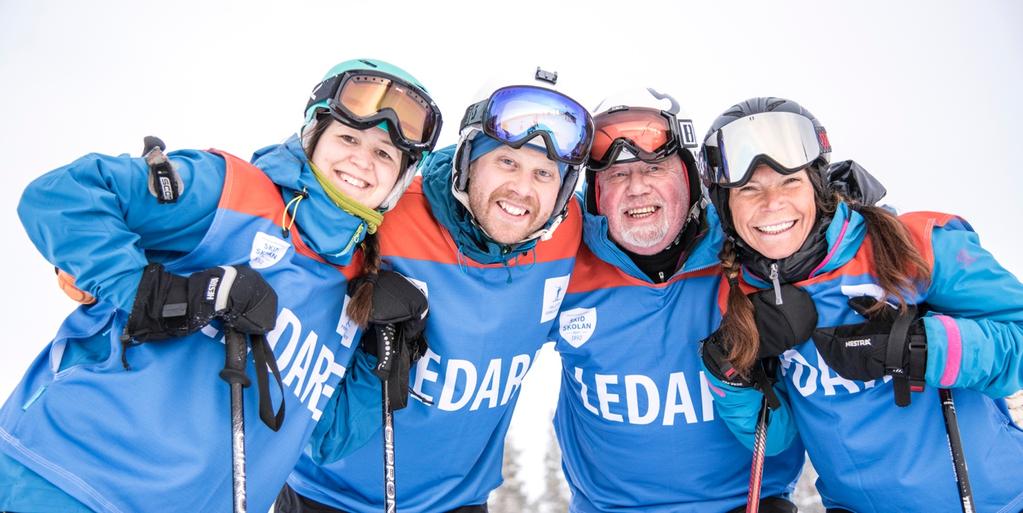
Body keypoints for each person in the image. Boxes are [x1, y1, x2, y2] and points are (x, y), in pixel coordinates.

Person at [0, 58, 442, 513]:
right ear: (314, 137)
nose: (361, 161)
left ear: (399, 181)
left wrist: (381, 359)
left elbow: (324, 440)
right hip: (69, 482)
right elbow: (61, 196)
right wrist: (155, 297)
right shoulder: (231, 192)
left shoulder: (354, 287)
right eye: (348, 137)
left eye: (385, 154)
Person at [277, 69, 592, 513]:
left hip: (458, 503)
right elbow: (291, 212)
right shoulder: (387, 207)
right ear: (467, 159)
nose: (523, 188)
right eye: (507, 161)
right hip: (325, 496)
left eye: (544, 173)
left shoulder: (565, 234)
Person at [699, 97, 1023, 512]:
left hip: (991, 501)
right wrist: (731, 377)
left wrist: (923, 349)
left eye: (790, 182)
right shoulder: (744, 294)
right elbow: (776, 438)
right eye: (748, 189)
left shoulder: (913, 245)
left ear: (817, 185)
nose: (771, 203)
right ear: (726, 207)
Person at [549, 88, 804, 513]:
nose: (636, 188)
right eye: (616, 175)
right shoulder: (563, 257)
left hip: (748, 504)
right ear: (595, 193)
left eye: (654, 167)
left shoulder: (751, 251)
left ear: (690, 175)